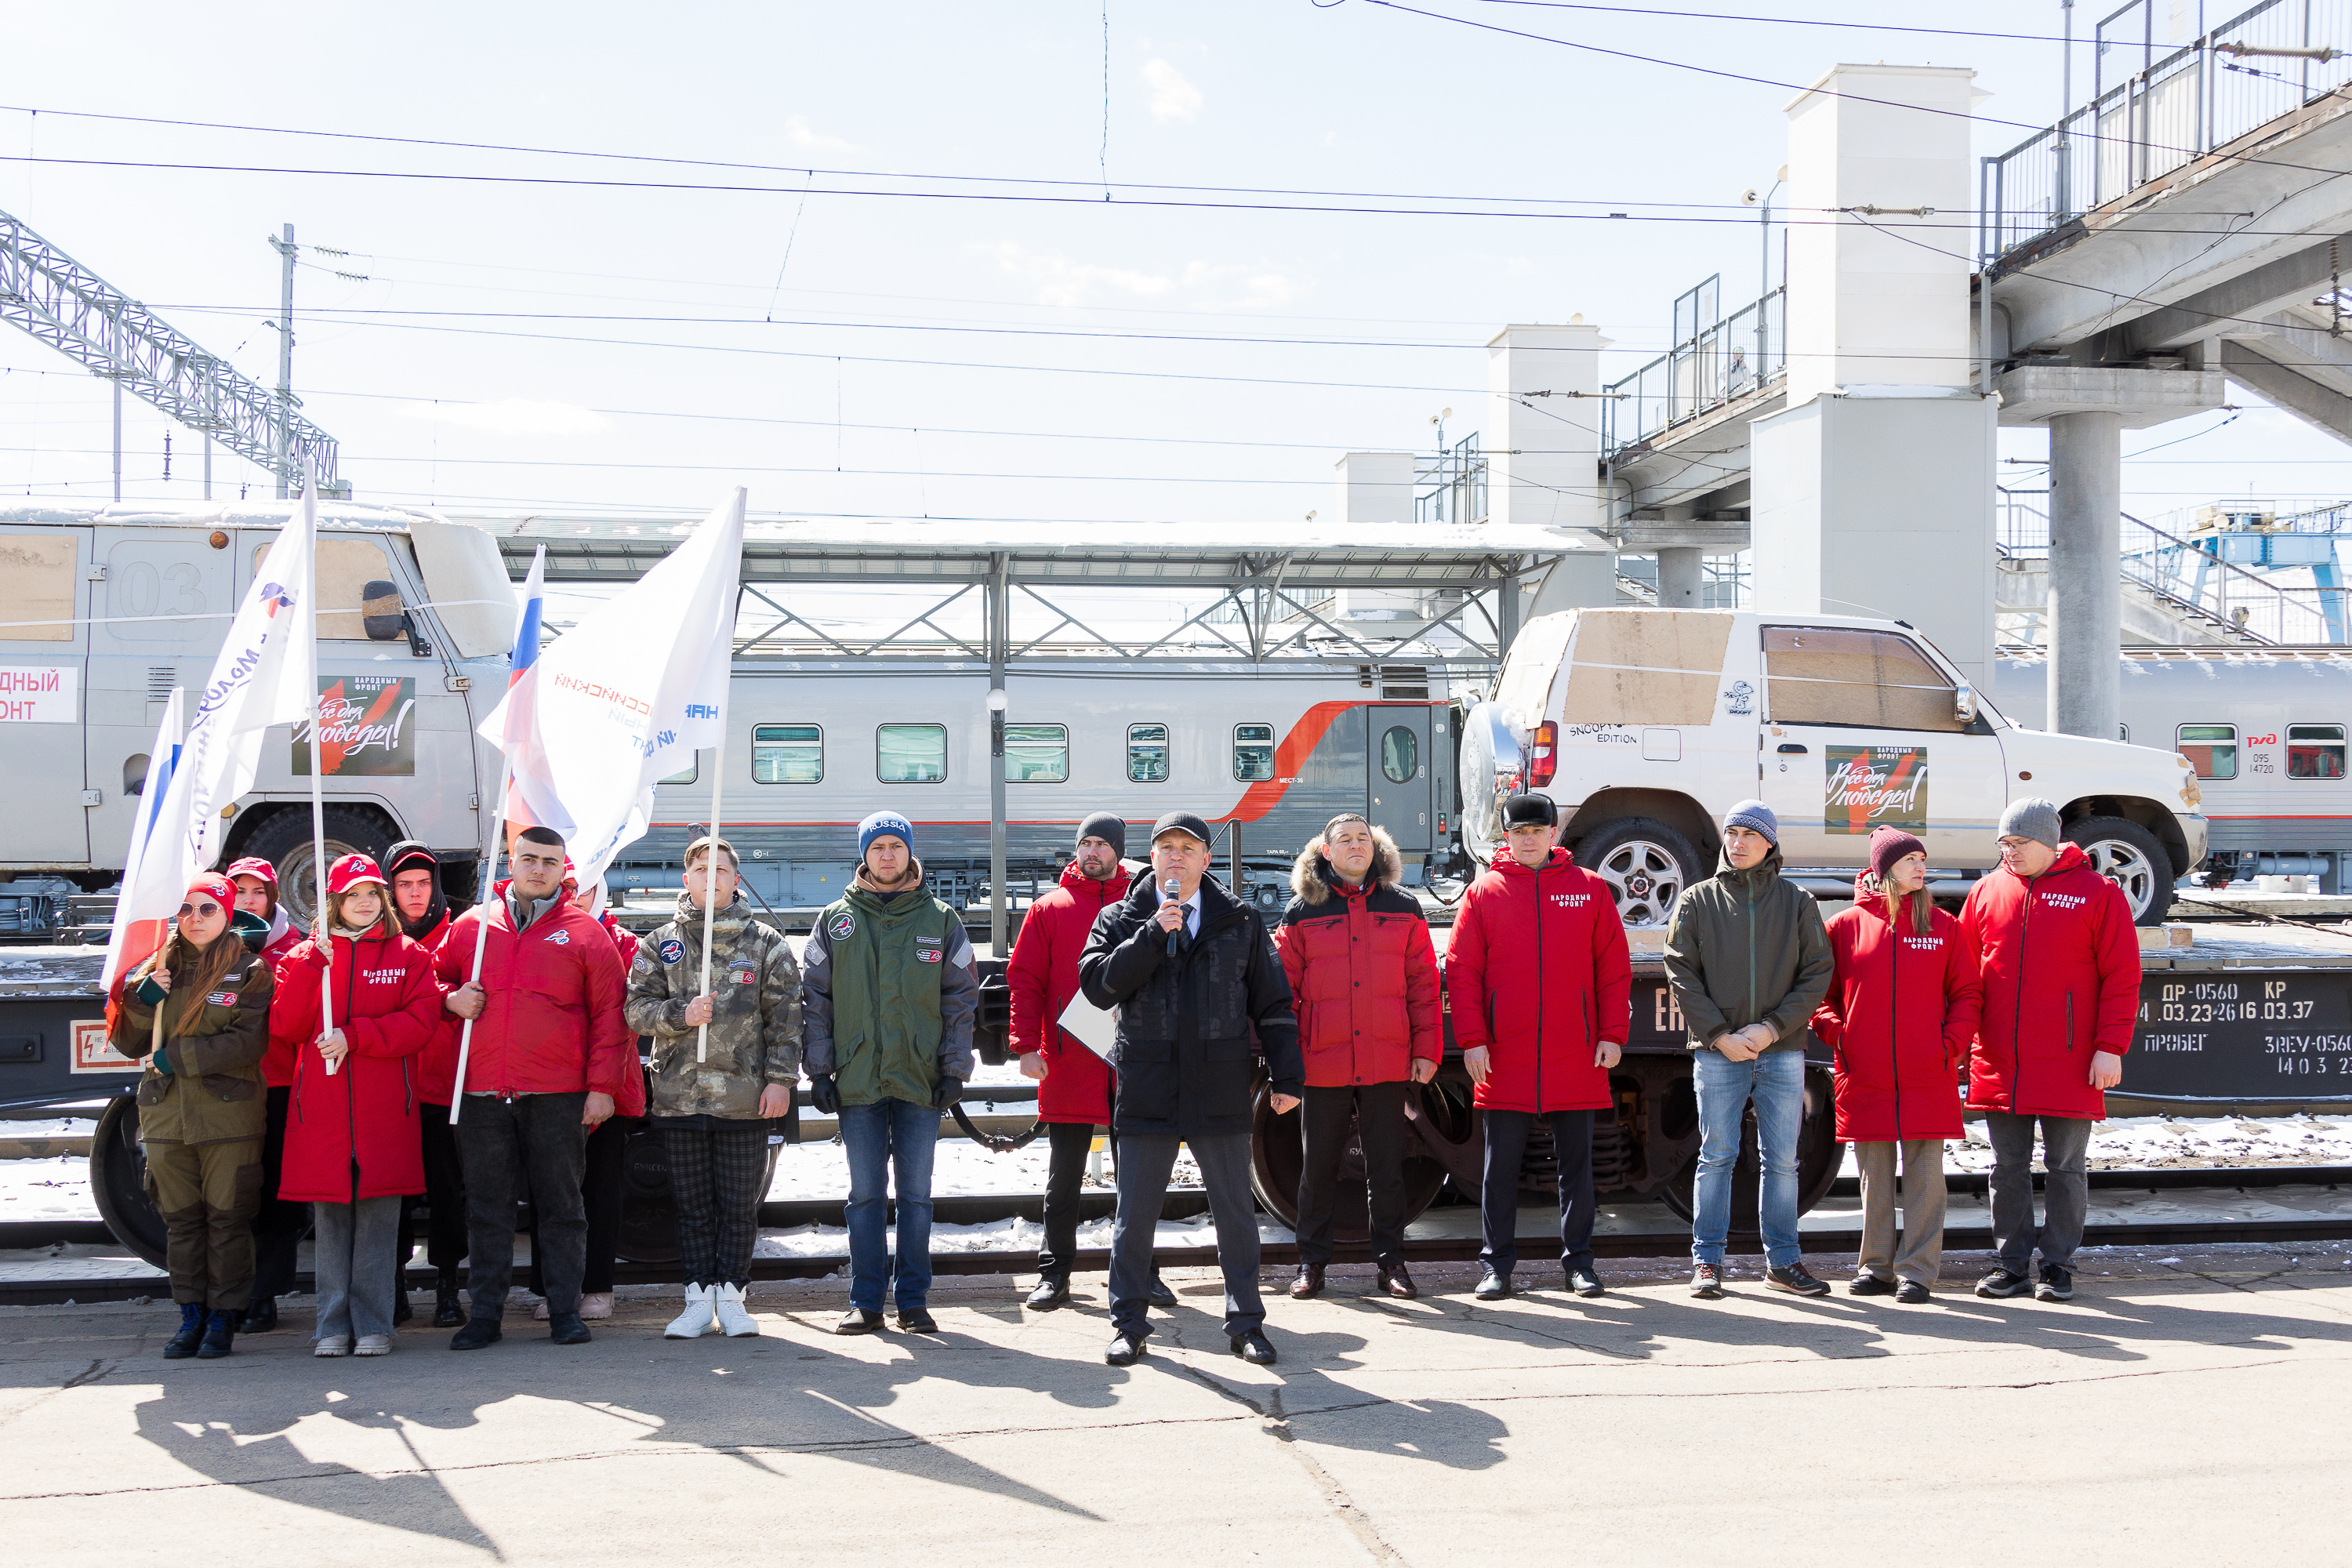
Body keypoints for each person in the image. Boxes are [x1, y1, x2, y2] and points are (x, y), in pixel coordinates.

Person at [1080, 811, 1304, 1368]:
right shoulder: (1119, 917)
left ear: (1207, 860)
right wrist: (1154, 933)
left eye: (1188, 848)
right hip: (1147, 1085)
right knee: (1135, 1217)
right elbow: (1097, 988)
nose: (1176, 857)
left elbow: (1273, 1004)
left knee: (1234, 1213)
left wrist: (1287, 1076)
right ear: (1151, 859)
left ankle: (1246, 1323)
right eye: (1166, 848)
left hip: (1218, 1083)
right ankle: (1129, 1323)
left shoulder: (1241, 920)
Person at [434, 825, 636, 1349]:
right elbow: (429, 981)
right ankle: (485, 1316)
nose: (538, 869)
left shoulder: (586, 934)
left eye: (550, 861)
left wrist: (602, 1087)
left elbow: (612, 1019)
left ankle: (566, 1312)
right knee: (487, 1208)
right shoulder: (472, 927)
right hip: (482, 1092)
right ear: (512, 861)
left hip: (558, 1094)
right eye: (529, 859)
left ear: (562, 868)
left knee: (563, 1206)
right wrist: (449, 999)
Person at [1444, 794, 1630, 1301]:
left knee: (1577, 1170)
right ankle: (1497, 1267)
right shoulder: (1484, 894)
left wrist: (1613, 1033)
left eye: (1537, 830)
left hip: (1577, 1051)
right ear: (1507, 837)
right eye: (1519, 832)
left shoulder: (1589, 890)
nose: (1528, 839)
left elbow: (1613, 969)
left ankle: (1581, 1265)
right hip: (1506, 1054)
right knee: (1499, 1170)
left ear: (1554, 834)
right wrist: (1473, 1041)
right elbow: (1462, 972)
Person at [801, 811, 978, 1336]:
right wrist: (820, 1070)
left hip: (921, 1079)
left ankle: (914, 1301)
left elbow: (961, 1000)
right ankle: (866, 1301)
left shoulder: (941, 919)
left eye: (894, 847)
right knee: (864, 1196)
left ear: (908, 853)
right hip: (858, 1080)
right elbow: (815, 999)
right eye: (876, 846)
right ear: (865, 855)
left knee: (917, 1196)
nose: (886, 855)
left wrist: (954, 1068)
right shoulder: (835, 919)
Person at [1959, 798, 2140, 1304]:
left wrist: (2110, 1047)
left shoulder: (2097, 893)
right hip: (1999, 1058)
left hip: (2070, 1059)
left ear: (2048, 842)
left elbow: (2122, 977)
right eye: (2003, 844)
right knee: (2006, 1167)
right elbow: (1967, 978)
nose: (2008, 852)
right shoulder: (1987, 892)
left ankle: (2057, 1265)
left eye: (2018, 843)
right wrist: (1962, 1041)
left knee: (2066, 1167)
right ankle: (2010, 1265)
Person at [624, 836, 802, 1339]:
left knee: (738, 1205)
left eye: (720, 869)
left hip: (745, 1101)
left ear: (735, 880)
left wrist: (781, 1082)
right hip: (680, 1098)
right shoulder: (659, 943)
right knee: (694, 1205)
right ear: (686, 880)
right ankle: (698, 1298)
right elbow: (635, 1011)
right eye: (701, 869)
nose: (711, 877)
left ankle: (734, 1296)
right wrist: (681, 1015)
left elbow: (787, 1021)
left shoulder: (765, 944)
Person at [267, 855, 442, 1356]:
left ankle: (374, 1326)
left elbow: (422, 1022)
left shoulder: (407, 955)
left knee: (379, 1223)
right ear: (335, 903)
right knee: (332, 1222)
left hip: (385, 1111)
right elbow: (286, 1027)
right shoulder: (305, 956)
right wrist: (309, 966)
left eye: (371, 894)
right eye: (353, 895)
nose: (364, 903)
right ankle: (330, 1326)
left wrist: (354, 1037)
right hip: (321, 1113)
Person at [1663, 800, 1836, 1300]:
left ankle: (1783, 1263)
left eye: (1749, 835)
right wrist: (1720, 1035)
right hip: (1718, 1052)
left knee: (1782, 1161)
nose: (1737, 843)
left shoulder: (1797, 902)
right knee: (1715, 1156)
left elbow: (1816, 974)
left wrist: (1772, 1029)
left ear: (1770, 844)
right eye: (1732, 833)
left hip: (1780, 1050)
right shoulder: (1698, 900)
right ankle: (1707, 1263)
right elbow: (1681, 972)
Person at [1006, 813, 1174, 1312]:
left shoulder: (1146, 905)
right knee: (1064, 1176)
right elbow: (1026, 981)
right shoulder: (1048, 909)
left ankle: (1144, 1273)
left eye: (1103, 844)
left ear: (1120, 852)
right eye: (1087, 843)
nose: (1093, 852)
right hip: (1068, 1058)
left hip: (1133, 1061)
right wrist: (1025, 1046)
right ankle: (1054, 1274)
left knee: (1137, 1177)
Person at [1274, 812, 1442, 1301]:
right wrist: (1287, 1063)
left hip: (1387, 1057)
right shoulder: (1301, 911)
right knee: (1317, 1168)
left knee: (1387, 1169)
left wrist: (1427, 1050)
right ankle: (1311, 1265)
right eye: (1343, 839)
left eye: (1362, 838)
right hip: (1322, 1059)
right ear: (1325, 852)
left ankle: (1392, 1265)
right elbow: (1281, 994)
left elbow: (1423, 986)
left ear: (1376, 848)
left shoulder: (1404, 906)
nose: (1354, 845)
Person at [109, 873, 277, 1359]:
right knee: (181, 1223)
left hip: (229, 1118)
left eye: (208, 909)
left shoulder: (250, 970)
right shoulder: (156, 967)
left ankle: (224, 1317)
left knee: (227, 1221)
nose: (195, 918)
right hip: (167, 1116)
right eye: (186, 909)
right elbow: (127, 1043)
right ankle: (190, 1316)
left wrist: (178, 1058)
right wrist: (144, 1001)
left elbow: (249, 1042)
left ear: (227, 915)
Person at [1812, 828, 1982, 1303]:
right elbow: (1820, 997)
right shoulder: (1844, 926)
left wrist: (1949, 1045)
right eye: (1910, 859)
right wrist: (1839, 1035)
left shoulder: (1944, 926)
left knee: (1927, 1178)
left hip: (1928, 1070)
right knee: (1875, 1177)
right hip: (1866, 1073)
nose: (1920, 867)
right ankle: (1876, 1268)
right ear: (1885, 868)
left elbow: (1968, 993)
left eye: (1922, 859)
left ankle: (1919, 1272)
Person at [527, 861, 647, 1323]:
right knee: (549, 1189)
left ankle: (597, 1285)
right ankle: (551, 1287)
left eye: (586, 887)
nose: (575, 895)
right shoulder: (533, 935)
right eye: (569, 885)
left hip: (607, 1083)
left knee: (599, 1187)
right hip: (547, 1083)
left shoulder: (623, 942)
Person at [224, 855, 311, 1335]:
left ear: (273, 898)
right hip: (231, 1087)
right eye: (240, 892)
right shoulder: (212, 947)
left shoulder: (294, 949)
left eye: (258, 892)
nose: (249, 901)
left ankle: (265, 1294)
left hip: (280, 1087)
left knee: (275, 1194)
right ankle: (233, 1290)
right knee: (234, 1194)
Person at [387, 840, 468, 1328]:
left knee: (448, 1193)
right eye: (404, 885)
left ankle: (447, 1285)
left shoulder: (460, 933)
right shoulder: (378, 936)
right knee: (391, 1193)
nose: (415, 895)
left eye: (423, 884)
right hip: (394, 1089)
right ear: (389, 889)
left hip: (443, 1087)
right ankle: (393, 1284)